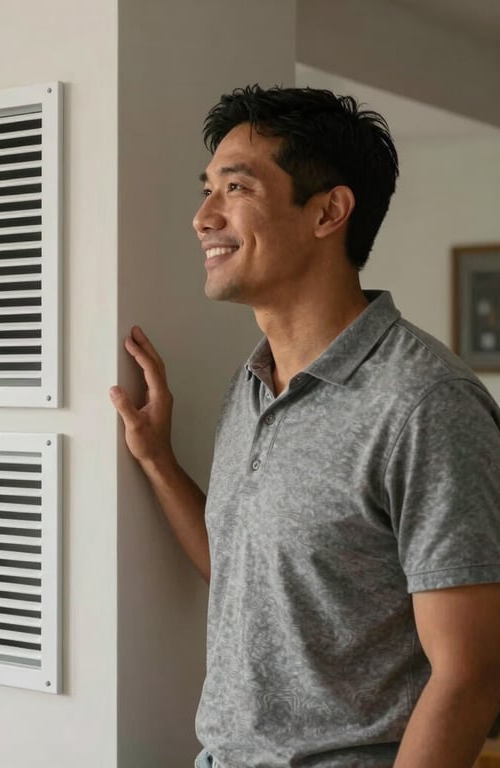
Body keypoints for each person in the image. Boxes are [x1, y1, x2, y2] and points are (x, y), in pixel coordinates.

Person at [109, 85, 500, 768]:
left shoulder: (425, 402)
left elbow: (471, 672)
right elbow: (246, 569)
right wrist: (158, 461)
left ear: (328, 212)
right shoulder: (253, 384)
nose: (204, 217)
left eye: (235, 188)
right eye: (208, 189)